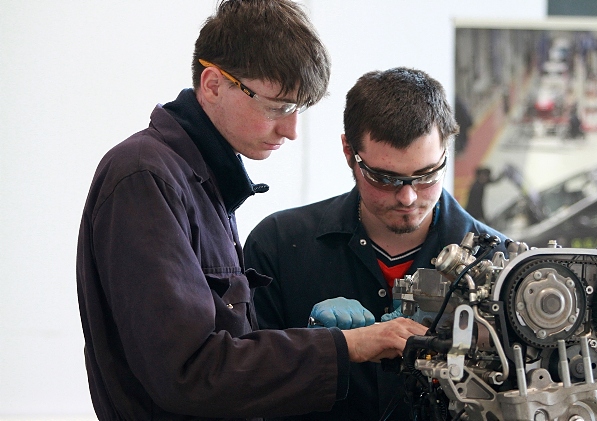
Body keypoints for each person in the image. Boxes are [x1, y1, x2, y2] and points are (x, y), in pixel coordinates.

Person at [75, 2, 427, 420]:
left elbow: (229, 350)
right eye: (278, 107)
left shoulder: (201, 182)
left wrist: (320, 339)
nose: (291, 130)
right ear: (213, 84)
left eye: (298, 110)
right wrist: (345, 346)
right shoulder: (146, 177)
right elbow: (190, 373)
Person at [244, 67, 509, 421]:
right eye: (385, 178)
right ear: (348, 151)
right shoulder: (277, 246)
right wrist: (317, 350)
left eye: (427, 175)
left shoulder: (498, 263)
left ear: (447, 149)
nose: (408, 197)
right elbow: (242, 386)